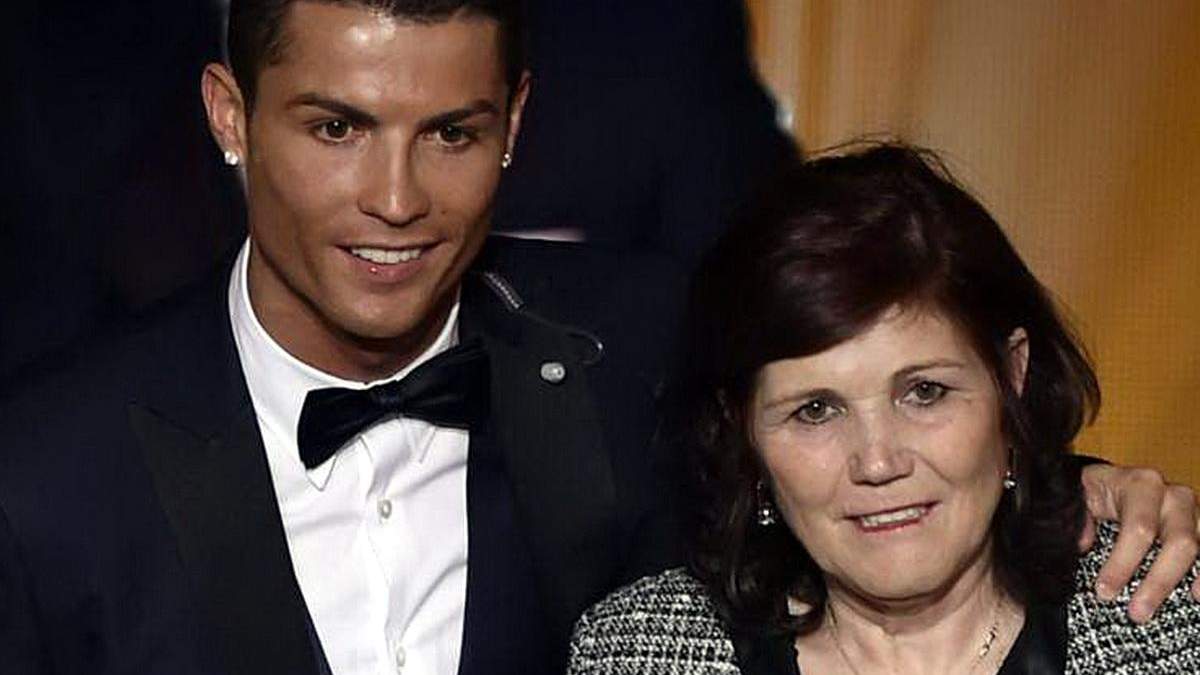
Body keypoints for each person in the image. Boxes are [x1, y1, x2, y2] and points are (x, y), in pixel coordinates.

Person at [0, 3, 1192, 673]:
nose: (397, 199)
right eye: (337, 128)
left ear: (515, 125)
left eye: (452, 134)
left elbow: (868, 408)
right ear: (230, 117)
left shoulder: (645, 341)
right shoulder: (41, 475)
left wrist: (1090, 496)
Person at [568, 144, 1200, 674]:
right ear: (743, 430)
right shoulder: (643, 654)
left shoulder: (1167, 629)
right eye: (815, 410)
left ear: (1012, 376)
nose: (877, 462)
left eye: (924, 392)